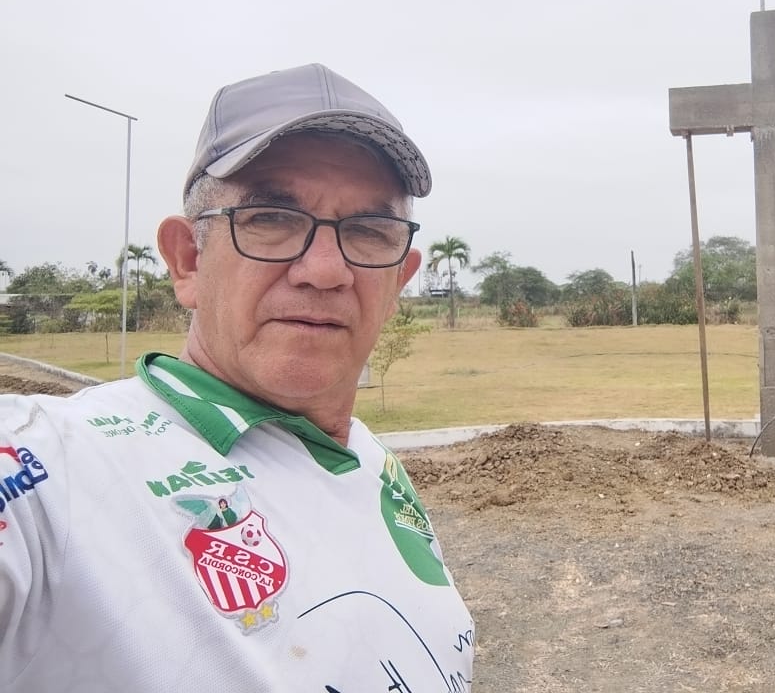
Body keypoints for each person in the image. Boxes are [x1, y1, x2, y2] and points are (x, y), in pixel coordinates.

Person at [0, 64, 474, 691]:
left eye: (367, 231)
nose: (325, 271)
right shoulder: (51, 466)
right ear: (188, 261)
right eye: (271, 218)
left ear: (398, 282)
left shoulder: (369, 459)